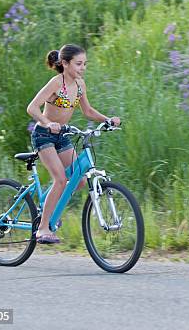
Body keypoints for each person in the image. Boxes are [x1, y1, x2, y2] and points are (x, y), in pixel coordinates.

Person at [26, 44, 120, 244]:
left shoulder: (79, 85)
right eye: (78, 64)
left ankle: (50, 209)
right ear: (65, 63)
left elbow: (87, 111)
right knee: (60, 179)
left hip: (62, 135)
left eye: (85, 64)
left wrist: (107, 120)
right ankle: (43, 228)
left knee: (80, 180)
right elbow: (32, 107)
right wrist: (47, 123)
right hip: (44, 135)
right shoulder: (55, 83)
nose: (82, 67)